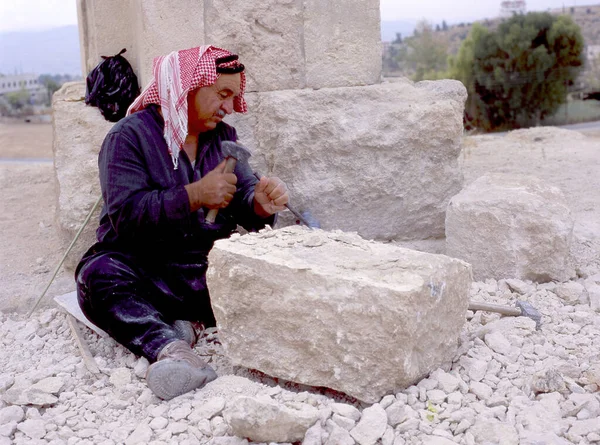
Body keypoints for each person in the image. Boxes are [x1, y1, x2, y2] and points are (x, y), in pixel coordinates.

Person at [75, 46, 289, 400]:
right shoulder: (128, 137)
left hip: (199, 272)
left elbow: (245, 196)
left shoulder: (223, 138)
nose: (230, 107)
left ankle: (187, 325)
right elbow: (126, 215)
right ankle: (174, 351)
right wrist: (194, 195)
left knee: (254, 276)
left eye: (234, 97)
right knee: (97, 277)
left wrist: (261, 205)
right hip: (142, 266)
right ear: (188, 87)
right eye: (223, 94)